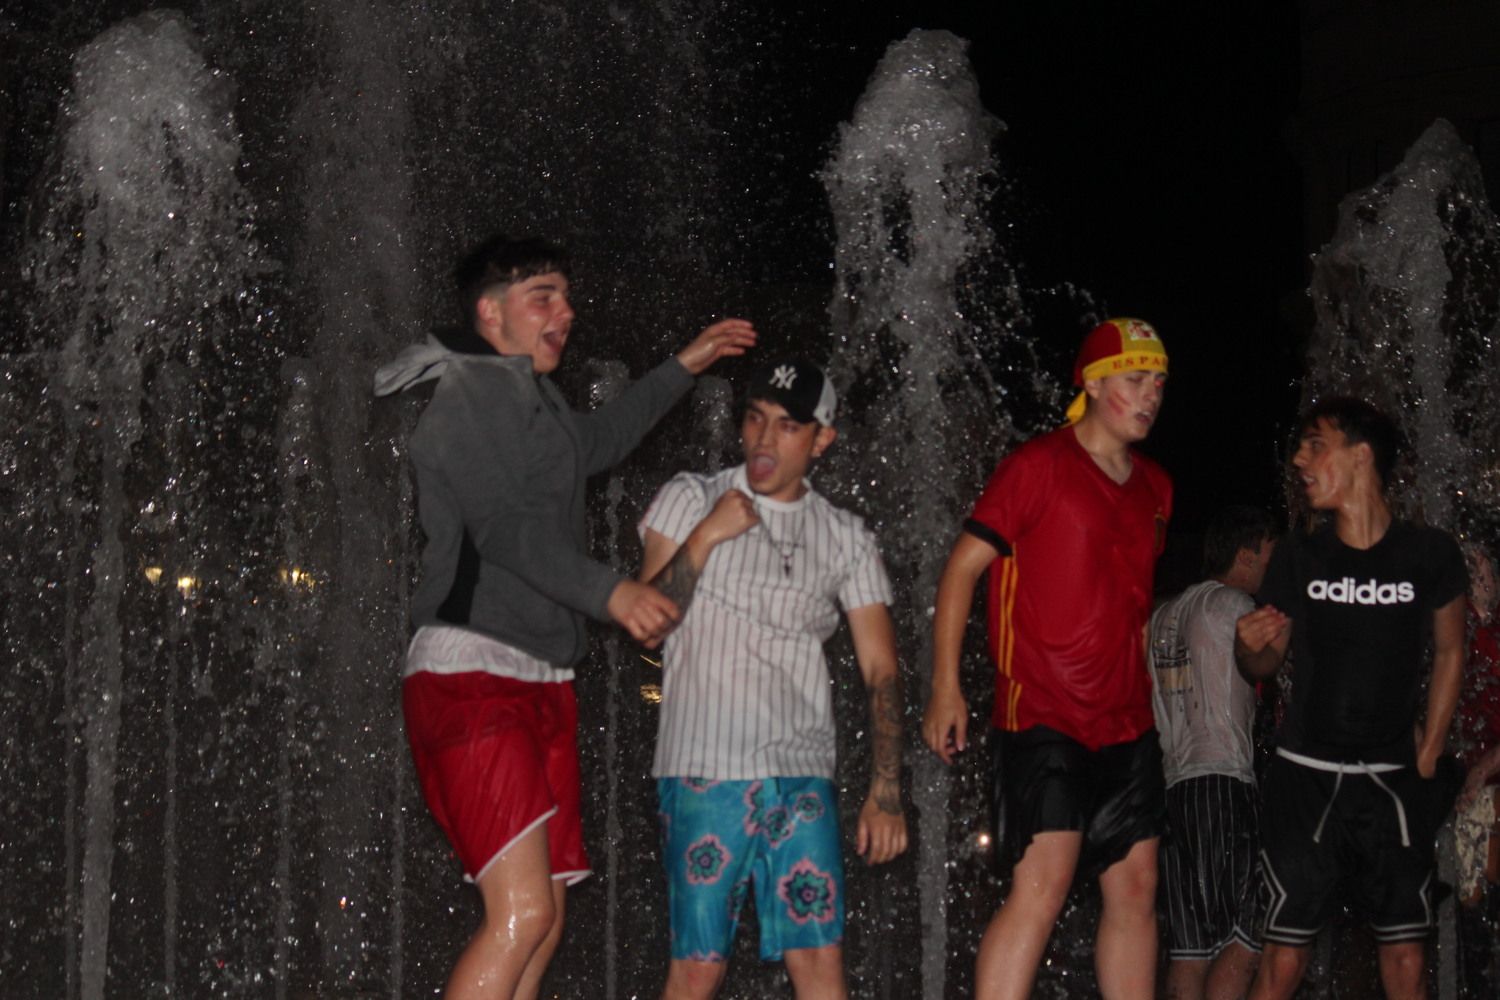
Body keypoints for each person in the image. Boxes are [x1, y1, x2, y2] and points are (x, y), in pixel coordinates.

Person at [373, 235, 756, 1000]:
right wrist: (610, 592)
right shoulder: (471, 395)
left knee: (542, 917)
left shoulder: (532, 400)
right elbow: (503, 529)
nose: (567, 313)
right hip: (470, 670)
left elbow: (605, 438)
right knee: (519, 913)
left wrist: (688, 362)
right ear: (490, 312)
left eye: (566, 296)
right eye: (542, 296)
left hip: (539, 676)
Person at [637, 357, 908, 999]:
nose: (764, 439)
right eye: (755, 419)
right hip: (704, 767)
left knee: (819, 962)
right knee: (698, 966)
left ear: (821, 439)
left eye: (787, 427)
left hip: (801, 775)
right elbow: (647, 623)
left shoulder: (845, 537)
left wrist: (887, 789)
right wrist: (706, 536)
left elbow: (880, 668)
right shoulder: (689, 496)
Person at [922, 318, 1172, 1000]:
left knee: (1139, 885)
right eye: (1133, 379)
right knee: (1046, 879)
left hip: (1128, 721)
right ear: (1092, 384)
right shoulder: (1036, 467)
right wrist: (947, 686)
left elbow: (1132, 604)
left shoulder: (1157, 488)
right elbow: (961, 571)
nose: (1149, 395)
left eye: (1157, 383)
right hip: (1043, 713)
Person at [1234, 396, 1467, 1000]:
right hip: (1304, 778)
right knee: (1283, 960)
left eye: (1316, 445)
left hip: (1392, 781)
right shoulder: (1299, 555)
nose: (1299, 459)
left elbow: (1450, 650)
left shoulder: (1430, 555)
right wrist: (1249, 646)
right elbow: (1265, 660)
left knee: (1408, 961)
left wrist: (1430, 753)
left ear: (1361, 456)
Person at [1149, 505, 1276, 1000]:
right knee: (1245, 938)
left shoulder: (1160, 617)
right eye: (1270, 554)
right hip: (1223, 783)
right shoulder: (1234, 607)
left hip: (1174, 792)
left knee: (1189, 946)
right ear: (1246, 555)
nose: (1273, 567)